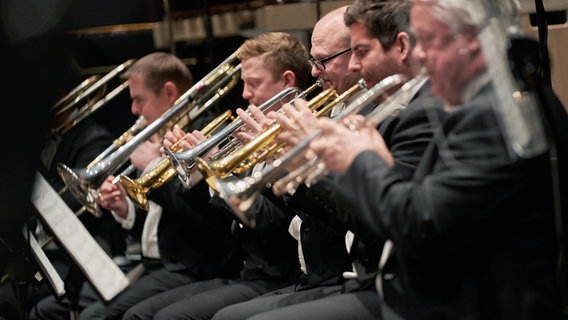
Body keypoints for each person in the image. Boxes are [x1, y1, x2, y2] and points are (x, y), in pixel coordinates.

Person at [247, 0, 567, 319]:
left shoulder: (491, 115)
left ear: (469, 38)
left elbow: (420, 224)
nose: (420, 56)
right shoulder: (491, 104)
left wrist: (362, 160)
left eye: (428, 41)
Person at [211, 1, 444, 319]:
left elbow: (385, 222)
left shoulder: (408, 113)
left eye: (360, 52)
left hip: (384, 281)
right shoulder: (374, 109)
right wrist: (292, 159)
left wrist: (306, 161)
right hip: (338, 274)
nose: (354, 67)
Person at [30, 51, 240, 320]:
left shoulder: (203, 134)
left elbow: (207, 221)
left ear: (169, 92)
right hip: (155, 263)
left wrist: (154, 167)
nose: (133, 111)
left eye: (139, 100)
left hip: (193, 266)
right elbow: (161, 221)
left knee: (96, 316)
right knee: (54, 308)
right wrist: (125, 210)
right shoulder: (158, 136)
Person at [121, 31, 312, 320]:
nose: (245, 93)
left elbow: (271, 220)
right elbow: (221, 224)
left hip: (279, 275)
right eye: (245, 83)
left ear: (287, 81)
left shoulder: (303, 133)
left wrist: (215, 171)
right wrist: (201, 172)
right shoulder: (248, 134)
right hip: (245, 272)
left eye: (253, 83)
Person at [0, 53, 126, 320]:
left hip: (78, 258)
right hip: (42, 254)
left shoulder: (93, 138)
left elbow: (71, 203)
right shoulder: (41, 138)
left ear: (57, 97)